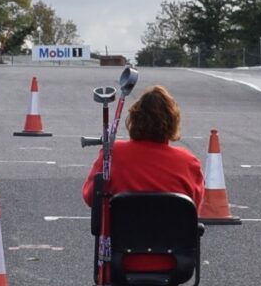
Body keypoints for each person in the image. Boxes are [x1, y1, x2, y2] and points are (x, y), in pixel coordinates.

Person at [78, 83, 206, 232]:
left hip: (122, 243)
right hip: (173, 245)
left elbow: (91, 197)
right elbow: (194, 207)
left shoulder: (113, 154)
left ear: (134, 119)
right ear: (173, 121)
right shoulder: (188, 162)